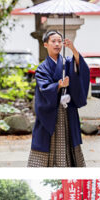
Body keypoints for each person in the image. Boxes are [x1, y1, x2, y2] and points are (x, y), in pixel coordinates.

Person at [28, 30, 90, 167]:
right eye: (53, 41)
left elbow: (81, 68)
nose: (57, 44)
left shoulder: (67, 62)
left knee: (66, 138)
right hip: (50, 110)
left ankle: (66, 164)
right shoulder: (42, 68)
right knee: (49, 138)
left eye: (59, 41)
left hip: (67, 109)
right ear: (46, 44)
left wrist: (73, 49)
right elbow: (43, 88)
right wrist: (58, 85)